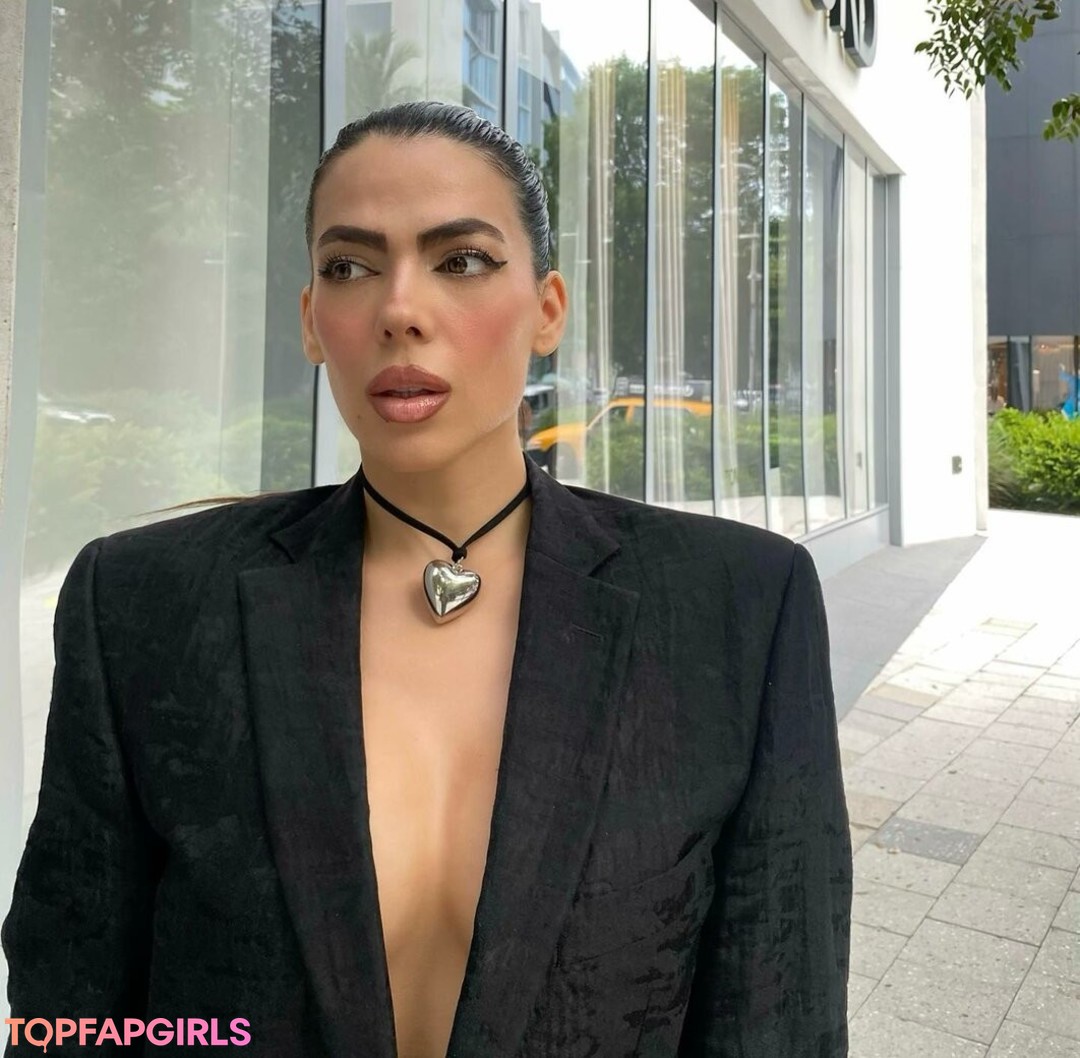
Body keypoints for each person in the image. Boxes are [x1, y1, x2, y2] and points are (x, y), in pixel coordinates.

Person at [3, 101, 852, 1057]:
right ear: (312, 321)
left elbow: (779, 1014)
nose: (400, 309)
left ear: (547, 310)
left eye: (462, 260)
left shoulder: (738, 607)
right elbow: (68, 1008)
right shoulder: (144, 603)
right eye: (349, 267)